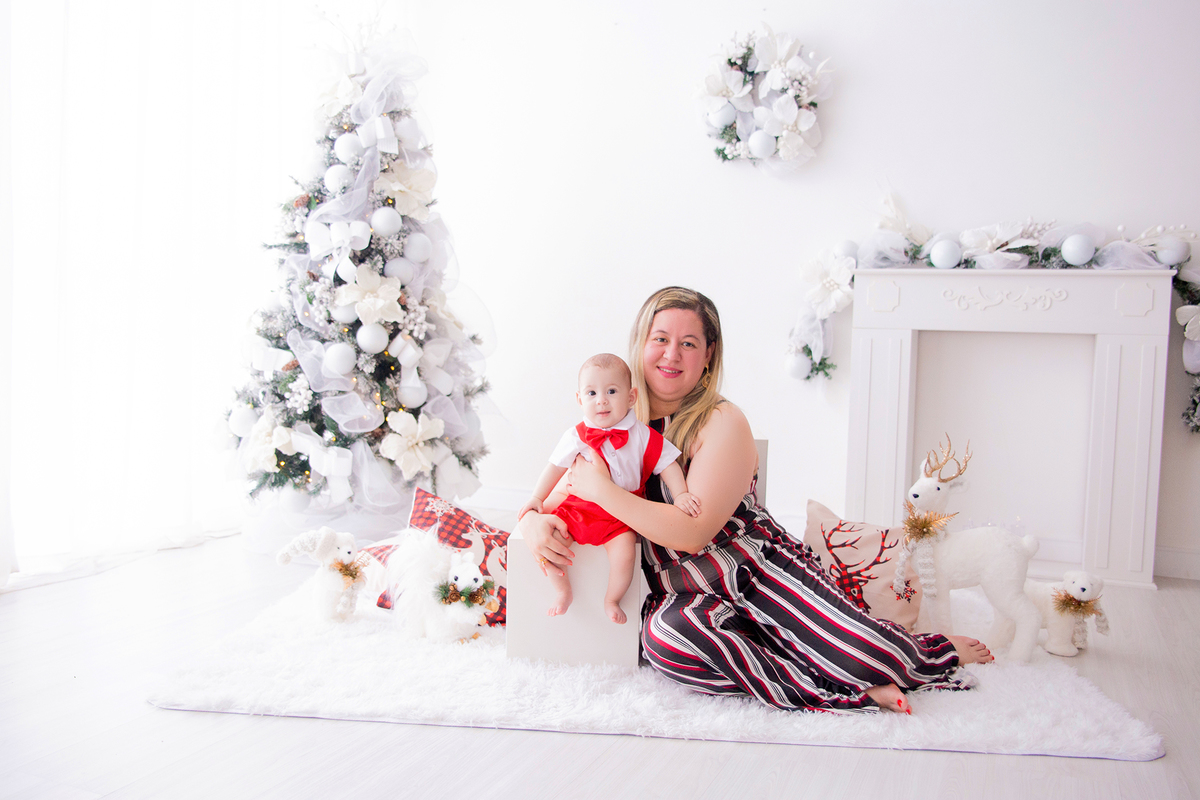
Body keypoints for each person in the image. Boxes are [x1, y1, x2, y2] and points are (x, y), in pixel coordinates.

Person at [516, 287, 993, 714]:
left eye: (688, 343)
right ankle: (828, 689)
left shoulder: (721, 421)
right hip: (681, 588)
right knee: (669, 644)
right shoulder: (606, 426)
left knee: (868, 658)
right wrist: (536, 521)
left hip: (756, 569)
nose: (671, 354)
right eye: (660, 338)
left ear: (708, 354)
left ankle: (927, 650)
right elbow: (558, 491)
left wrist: (603, 491)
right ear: (640, 345)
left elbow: (692, 532)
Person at [518, 353, 700, 624]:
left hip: (622, 514)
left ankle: (612, 598)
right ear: (580, 400)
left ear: (631, 397)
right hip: (579, 509)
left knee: (625, 553)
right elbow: (554, 467)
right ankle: (562, 591)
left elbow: (668, 464)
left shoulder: (642, 434)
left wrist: (681, 493)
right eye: (591, 393)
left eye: (611, 391)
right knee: (552, 546)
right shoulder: (576, 435)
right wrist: (536, 498)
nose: (601, 400)